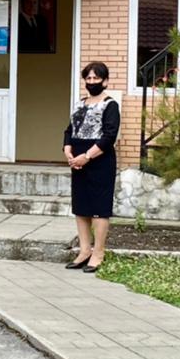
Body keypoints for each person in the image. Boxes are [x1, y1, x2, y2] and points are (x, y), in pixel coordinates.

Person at [64, 62, 120, 274]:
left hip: (99, 160)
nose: (92, 82)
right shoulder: (79, 104)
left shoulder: (110, 105)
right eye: (88, 78)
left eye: (96, 78)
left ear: (105, 81)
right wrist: (68, 149)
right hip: (77, 160)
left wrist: (86, 156)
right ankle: (84, 251)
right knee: (81, 207)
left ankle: (98, 253)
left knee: (99, 208)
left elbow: (109, 136)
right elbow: (69, 129)